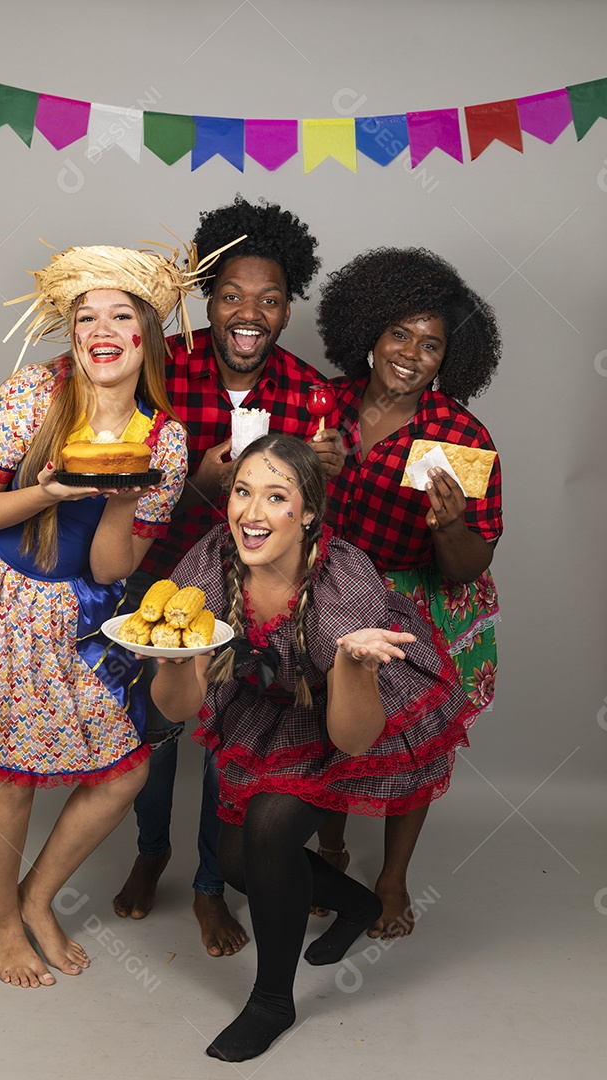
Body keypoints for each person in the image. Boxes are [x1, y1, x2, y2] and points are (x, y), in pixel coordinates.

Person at [0, 238, 230, 987]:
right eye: (84, 318)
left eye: (119, 315)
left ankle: (37, 898)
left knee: (123, 773)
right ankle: (0, 923)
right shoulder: (32, 397)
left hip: (79, 610)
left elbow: (111, 568)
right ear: (72, 334)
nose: (100, 331)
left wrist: (123, 497)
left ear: (148, 333)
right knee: (10, 777)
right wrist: (50, 490)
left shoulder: (165, 441)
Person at [142, 434, 478, 1061]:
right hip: (267, 708)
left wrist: (353, 665)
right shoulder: (209, 564)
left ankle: (273, 1000)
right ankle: (357, 906)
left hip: (359, 710)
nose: (251, 512)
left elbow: (353, 737)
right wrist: (170, 660)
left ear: (309, 515)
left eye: (276, 497)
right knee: (240, 864)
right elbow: (179, 707)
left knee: (270, 829)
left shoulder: (341, 585)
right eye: (243, 492)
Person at [113, 196, 346, 957]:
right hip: (153, 578)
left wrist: (323, 475)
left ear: (286, 311)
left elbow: (308, 517)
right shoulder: (157, 366)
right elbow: (111, 471)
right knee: (155, 730)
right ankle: (153, 852)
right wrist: (190, 487)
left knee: (227, 745)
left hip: (249, 601)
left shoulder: (311, 396)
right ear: (209, 301)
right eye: (233, 295)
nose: (250, 311)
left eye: (270, 299)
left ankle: (212, 886)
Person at [315, 246, 503, 939]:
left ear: (447, 360)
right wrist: (314, 471)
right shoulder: (322, 404)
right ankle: (329, 850)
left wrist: (450, 524)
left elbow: (466, 564)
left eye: (431, 345)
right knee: (329, 724)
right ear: (371, 331)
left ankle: (391, 878)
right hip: (333, 588)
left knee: (415, 742)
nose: (410, 354)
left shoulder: (456, 437)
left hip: (416, 599)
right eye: (400, 333)